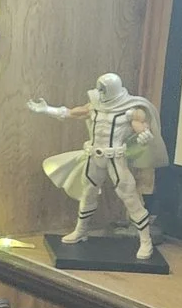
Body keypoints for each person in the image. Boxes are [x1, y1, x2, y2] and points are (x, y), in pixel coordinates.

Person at [28, 72, 169, 259]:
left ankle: (145, 240)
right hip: (94, 156)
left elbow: (142, 128)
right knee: (88, 193)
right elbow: (71, 113)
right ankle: (81, 230)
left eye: (104, 89)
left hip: (115, 158)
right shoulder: (94, 105)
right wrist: (47, 110)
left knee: (129, 196)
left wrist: (145, 135)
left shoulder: (131, 110)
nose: (100, 92)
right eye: (99, 88)